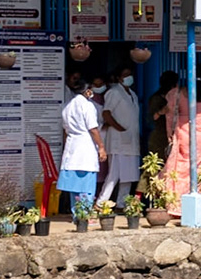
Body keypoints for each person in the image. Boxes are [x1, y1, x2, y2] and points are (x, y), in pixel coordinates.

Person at [164, 74, 201, 196]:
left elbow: (169, 111)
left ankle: (178, 199)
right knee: (200, 166)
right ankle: (198, 196)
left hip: (183, 132)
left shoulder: (178, 93)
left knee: (181, 165)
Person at [57, 79, 106, 218]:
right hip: (85, 148)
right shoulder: (87, 106)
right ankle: (84, 216)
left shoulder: (67, 106)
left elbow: (65, 130)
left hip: (72, 147)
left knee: (75, 188)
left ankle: (77, 216)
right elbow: (93, 129)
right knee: (86, 187)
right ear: (87, 91)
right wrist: (101, 147)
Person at [97, 65, 141, 207]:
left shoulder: (132, 94)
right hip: (118, 140)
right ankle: (101, 202)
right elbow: (106, 113)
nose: (129, 77)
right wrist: (118, 128)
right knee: (114, 174)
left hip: (131, 139)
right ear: (118, 78)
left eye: (130, 73)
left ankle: (122, 203)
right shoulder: (114, 92)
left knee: (129, 174)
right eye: (125, 74)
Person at [146, 71, 177, 164]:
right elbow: (151, 118)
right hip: (160, 137)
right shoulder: (157, 99)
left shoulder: (175, 98)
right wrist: (161, 112)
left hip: (173, 135)